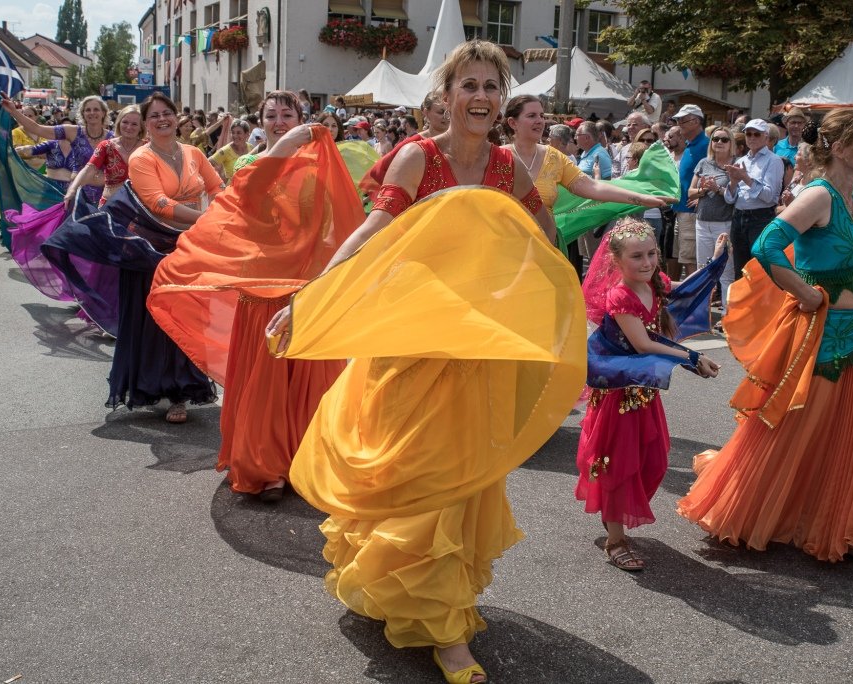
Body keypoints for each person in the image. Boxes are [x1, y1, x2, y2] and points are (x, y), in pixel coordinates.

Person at [265, 40, 584, 683]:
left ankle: (447, 624)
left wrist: (527, 297)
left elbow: (544, 242)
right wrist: (312, 295)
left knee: (457, 481)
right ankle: (408, 592)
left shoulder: (508, 168)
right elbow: (371, 232)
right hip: (413, 343)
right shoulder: (419, 157)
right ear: (444, 97)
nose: (481, 97)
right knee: (407, 468)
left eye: (492, 87)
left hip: (476, 349)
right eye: (469, 85)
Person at [678, 108, 853, 568]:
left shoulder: (851, 196)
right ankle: (744, 504)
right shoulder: (819, 196)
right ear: (839, 148)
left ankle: (850, 528)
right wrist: (805, 294)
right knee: (790, 429)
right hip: (820, 334)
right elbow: (767, 245)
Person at [148, 90, 361, 501]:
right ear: (261, 122)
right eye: (271, 114)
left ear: (301, 116)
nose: (279, 120)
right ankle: (267, 469)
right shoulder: (249, 163)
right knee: (265, 380)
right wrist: (286, 146)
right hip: (260, 286)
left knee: (309, 378)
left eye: (287, 113)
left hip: (303, 285)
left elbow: (333, 225)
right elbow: (247, 201)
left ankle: (305, 459)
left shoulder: (321, 168)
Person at [43, 93, 222, 422]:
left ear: (176, 116)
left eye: (167, 113)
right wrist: (206, 219)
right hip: (148, 247)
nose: (162, 119)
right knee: (155, 320)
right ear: (146, 124)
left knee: (188, 316)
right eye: (154, 116)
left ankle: (183, 387)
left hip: (190, 246)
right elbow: (158, 204)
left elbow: (217, 187)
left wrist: (229, 208)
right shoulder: (141, 157)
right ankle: (161, 388)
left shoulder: (195, 153)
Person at [577, 219, 722, 570]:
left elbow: (684, 291)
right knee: (619, 464)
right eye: (636, 256)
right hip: (619, 396)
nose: (646, 262)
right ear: (615, 261)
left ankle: (614, 522)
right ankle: (616, 540)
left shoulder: (654, 282)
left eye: (652, 254)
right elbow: (642, 344)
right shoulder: (621, 295)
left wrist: (714, 263)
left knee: (652, 459)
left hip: (643, 394)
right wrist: (691, 357)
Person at [502, 94, 668, 272]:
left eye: (542, 116)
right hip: (505, 250)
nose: (540, 121)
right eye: (532, 116)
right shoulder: (497, 157)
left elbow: (593, 187)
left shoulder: (554, 157)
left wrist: (640, 198)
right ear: (513, 123)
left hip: (544, 249)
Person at [4, 95, 113, 205]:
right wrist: (14, 111)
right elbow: (37, 128)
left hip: (104, 197)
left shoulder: (113, 138)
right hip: (76, 195)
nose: (92, 113)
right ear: (83, 114)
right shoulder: (74, 132)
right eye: (88, 110)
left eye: (96, 109)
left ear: (103, 113)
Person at [724, 119, 785, 281]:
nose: (751, 137)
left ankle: (758, 305)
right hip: (739, 216)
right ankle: (742, 305)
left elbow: (770, 197)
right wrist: (734, 182)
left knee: (758, 269)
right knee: (740, 269)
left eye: (756, 134)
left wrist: (746, 178)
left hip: (760, 218)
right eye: (748, 134)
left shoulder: (774, 160)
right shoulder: (741, 161)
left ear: (766, 137)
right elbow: (730, 199)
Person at [689, 126, 737, 311]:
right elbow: (690, 193)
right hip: (702, 222)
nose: (719, 142)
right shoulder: (703, 163)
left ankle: (728, 315)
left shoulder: (736, 165)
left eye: (724, 139)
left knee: (726, 272)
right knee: (703, 269)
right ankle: (701, 313)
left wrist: (718, 189)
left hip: (724, 223)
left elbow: (737, 196)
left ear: (731, 143)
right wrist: (705, 189)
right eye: (716, 139)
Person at [64, 105, 144, 207]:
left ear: (141, 127)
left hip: (140, 210)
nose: (129, 127)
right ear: (119, 123)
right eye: (125, 122)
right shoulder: (106, 146)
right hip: (110, 207)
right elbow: (89, 169)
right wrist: (72, 190)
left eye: (134, 124)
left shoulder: (147, 147)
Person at [670, 104, 711, 278]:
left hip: (691, 211)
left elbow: (714, 174)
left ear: (695, 121)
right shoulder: (691, 144)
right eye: (678, 120)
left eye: (682, 120)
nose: (679, 124)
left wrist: (701, 197)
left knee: (691, 259)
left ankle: (695, 301)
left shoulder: (705, 145)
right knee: (685, 258)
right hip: (682, 209)